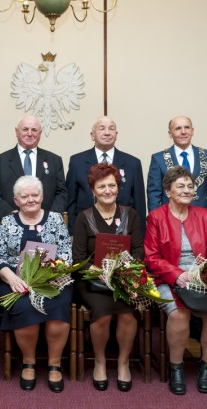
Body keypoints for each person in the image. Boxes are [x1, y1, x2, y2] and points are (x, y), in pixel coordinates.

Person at [144, 166, 207, 395]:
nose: (187, 190)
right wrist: (178, 275)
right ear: (168, 191)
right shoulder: (156, 217)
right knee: (179, 313)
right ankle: (176, 367)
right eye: (181, 186)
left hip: (201, 277)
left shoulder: (204, 215)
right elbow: (151, 257)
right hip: (167, 278)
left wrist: (206, 274)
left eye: (190, 186)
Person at [0, 176, 73, 393]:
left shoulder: (56, 220)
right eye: (25, 196)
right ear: (16, 200)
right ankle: (28, 362)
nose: (31, 199)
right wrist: (11, 278)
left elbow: (67, 255)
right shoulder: (7, 222)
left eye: (35, 195)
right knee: (23, 306)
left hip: (52, 280)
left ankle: (54, 364)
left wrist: (49, 275)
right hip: (15, 282)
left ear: (42, 196)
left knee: (59, 305)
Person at [72, 163, 144, 392]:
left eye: (111, 185)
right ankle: (100, 361)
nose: (107, 190)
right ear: (93, 190)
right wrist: (99, 273)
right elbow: (78, 259)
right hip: (93, 282)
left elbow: (138, 251)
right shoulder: (84, 218)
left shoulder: (130, 215)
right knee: (102, 312)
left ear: (118, 187)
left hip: (124, 280)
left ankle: (123, 363)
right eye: (101, 186)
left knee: (128, 312)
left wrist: (126, 272)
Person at [66, 116, 146, 235]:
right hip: (87, 231)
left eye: (111, 129)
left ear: (116, 134)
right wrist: (72, 234)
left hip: (123, 231)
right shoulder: (77, 161)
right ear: (92, 135)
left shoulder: (133, 163)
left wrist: (140, 237)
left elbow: (139, 204)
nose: (107, 133)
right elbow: (70, 202)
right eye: (102, 129)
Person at [147, 115, 207, 230]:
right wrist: (156, 225)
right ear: (170, 133)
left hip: (202, 222)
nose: (183, 132)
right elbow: (154, 195)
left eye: (187, 127)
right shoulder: (159, 159)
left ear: (192, 131)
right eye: (178, 128)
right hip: (169, 223)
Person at [0, 115, 67, 220]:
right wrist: (10, 214)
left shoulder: (54, 160)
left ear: (40, 133)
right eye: (25, 129)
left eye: (34, 130)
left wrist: (50, 216)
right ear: (16, 132)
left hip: (46, 223)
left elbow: (61, 193)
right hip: (12, 223)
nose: (30, 134)